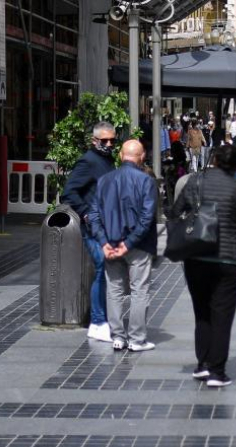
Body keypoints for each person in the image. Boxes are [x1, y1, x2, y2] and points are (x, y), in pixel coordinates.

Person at [171, 145, 236, 388]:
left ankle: (203, 364)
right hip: (228, 257)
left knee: (202, 311)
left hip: (196, 256)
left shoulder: (195, 181)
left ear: (215, 159)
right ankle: (217, 371)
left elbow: (175, 212)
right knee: (222, 313)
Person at [87, 140, 158, 353]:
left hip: (111, 242)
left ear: (120, 155)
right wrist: (128, 244)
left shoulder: (105, 180)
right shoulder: (146, 181)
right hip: (138, 244)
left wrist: (104, 242)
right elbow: (147, 218)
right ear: (142, 156)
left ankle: (118, 336)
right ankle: (137, 338)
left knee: (114, 290)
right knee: (139, 290)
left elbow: (94, 214)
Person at [61, 121, 117, 343]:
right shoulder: (88, 161)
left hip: (106, 225)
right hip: (94, 226)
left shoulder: (106, 159)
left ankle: (102, 319)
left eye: (113, 140)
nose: (110, 144)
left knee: (106, 268)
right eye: (105, 141)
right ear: (94, 141)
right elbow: (69, 192)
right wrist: (85, 213)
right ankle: (97, 321)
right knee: (103, 265)